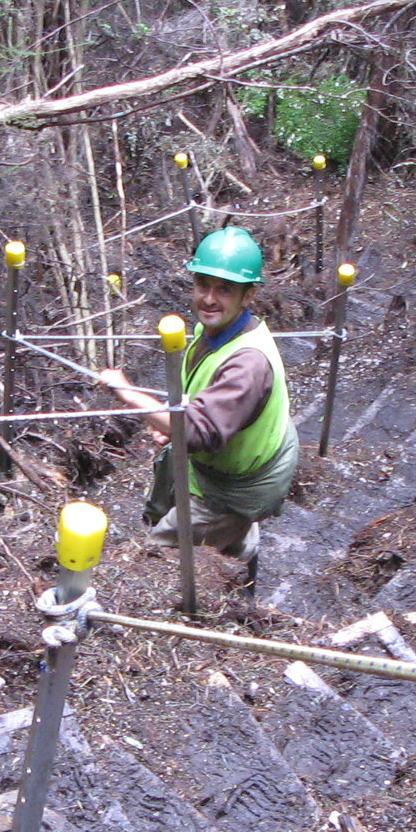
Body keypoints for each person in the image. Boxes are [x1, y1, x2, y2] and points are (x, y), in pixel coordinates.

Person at [95, 227, 298, 580]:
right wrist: (174, 427)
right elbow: (200, 405)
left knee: (159, 557)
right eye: (203, 285)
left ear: (248, 295)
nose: (209, 298)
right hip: (229, 458)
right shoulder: (219, 331)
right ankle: (238, 545)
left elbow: (198, 429)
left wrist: (128, 394)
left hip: (239, 484)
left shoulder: (247, 362)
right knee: (219, 534)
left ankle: (231, 566)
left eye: (224, 289)